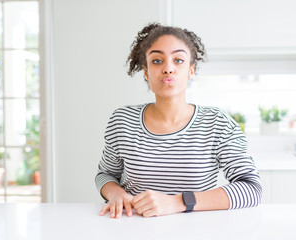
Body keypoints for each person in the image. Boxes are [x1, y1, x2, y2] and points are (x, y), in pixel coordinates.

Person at [96, 23, 262, 218]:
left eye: (178, 60)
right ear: (146, 72)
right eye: (157, 61)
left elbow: (252, 188)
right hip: (131, 227)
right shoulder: (122, 121)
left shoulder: (217, 123)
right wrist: (116, 194)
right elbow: (105, 175)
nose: (168, 68)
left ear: (191, 70)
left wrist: (178, 202)